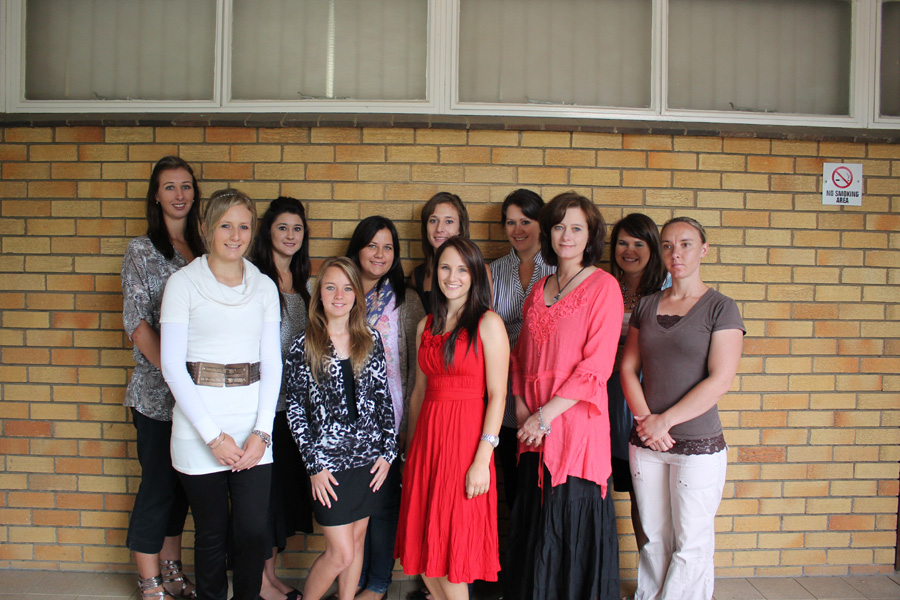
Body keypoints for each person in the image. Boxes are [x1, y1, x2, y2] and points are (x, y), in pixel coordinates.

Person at [160, 189, 282, 600]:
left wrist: (262, 433)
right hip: (200, 427)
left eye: (244, 226)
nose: (235, 235)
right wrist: (213, 436)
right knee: (211, 532)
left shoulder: (263, 287)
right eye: (226, 225)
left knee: (252, 531)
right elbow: (172, 366)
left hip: (252, 427)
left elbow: (272, 363)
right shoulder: (182, 284)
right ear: (207, 228)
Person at [505, 191, 623, 600]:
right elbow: (520, 359)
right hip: (532, 431)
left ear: (590, 235)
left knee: (570, 525)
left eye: (576, 228)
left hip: (576, 429)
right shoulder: (539, 288)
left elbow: (597, 367)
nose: (566, 235)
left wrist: (544, 417)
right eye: (558, 226)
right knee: (534, 527)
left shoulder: (604, 287)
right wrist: (525, 412)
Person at [620, 217, 744, 600]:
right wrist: (646, 422)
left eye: (686, 244)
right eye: (668, 245)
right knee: (654, 538)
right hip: (646, 442)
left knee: (691, 542)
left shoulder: (721, 308)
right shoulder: (646, 306)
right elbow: (628, 368)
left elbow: (720, 380)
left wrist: (665, 422)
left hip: (697, 444)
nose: (676, 253)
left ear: (703, 249)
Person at [395, 237, 509, 600]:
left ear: (474, 275)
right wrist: (410, 454)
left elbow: (498, 395)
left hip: (465, 445)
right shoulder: (426, 325)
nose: (452, 277)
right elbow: (418, 393)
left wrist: (482, 459)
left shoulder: (488, 323)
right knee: (424, 551)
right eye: (445, 267)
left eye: (462, 269)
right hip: (427, 445)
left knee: (451, 548)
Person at [284, 257, 398, 600]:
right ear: (319, 294)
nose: (339, 295)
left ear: (356, 295)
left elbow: (383, 399)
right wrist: (313, 466)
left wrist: (389, 453)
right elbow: (295, 411)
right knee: (341, 553)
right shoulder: (303, 345)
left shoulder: (370, 339)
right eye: (331, 287)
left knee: (358, 541)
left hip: (369, 462)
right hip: (328, 467)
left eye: (347, 288)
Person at [122, 156, 204, 600]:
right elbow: (136, 323)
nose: (179, 194)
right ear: (156, 195)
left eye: (186, 186)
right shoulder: (141, 250)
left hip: (196, 396)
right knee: (156, 487)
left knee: (182, 488)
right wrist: (174, 376)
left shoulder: (204, 248)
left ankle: (172, 570)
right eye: (169, 186)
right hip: (156, 394)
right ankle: (149, 579)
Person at [345, 217, 426, 600]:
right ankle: (353, 582)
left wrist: (407, 422)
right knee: (351, 507)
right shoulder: (341, 293)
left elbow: (414, 368)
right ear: (357, 249)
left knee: (383, 503)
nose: (380, 254)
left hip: (390, 420)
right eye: (372, 245)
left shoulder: (405, 301)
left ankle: (377, 584)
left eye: (388, 247)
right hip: (345, 423)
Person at [251, 197, 315, 600]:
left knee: (278, 499)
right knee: (261, 498)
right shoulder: (256, 281)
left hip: (293, 411)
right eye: (282, 228)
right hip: (262, 409)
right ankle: (259, 583)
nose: (290, 235)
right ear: (268, 232)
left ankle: (270, 577)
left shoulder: (306, 286)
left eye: (297, 228)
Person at [488, 189, 555, 508]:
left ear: (542, 224)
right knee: (512, 483)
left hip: (544, 390)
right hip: (501, 386)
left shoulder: (559, 269)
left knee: (544, 485)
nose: (517, 230)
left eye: (526, 221)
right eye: (510, 222)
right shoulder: (493, 270)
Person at [607, 213, 669, 552]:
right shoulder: (608, 288)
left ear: (653, 248)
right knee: (636, 491)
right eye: (622, 243)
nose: (628, 251)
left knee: (658, 494)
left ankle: (666, 573)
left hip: (653, 397)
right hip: (613, 399)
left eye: (638, 244)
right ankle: (648, 572)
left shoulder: (667, 290)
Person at [410, 192, 470, 314]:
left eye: (448, 221)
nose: (439, 229)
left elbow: (485, 318)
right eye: (433, 220)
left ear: (460, 228)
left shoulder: (479, 270)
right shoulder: (417, 276)